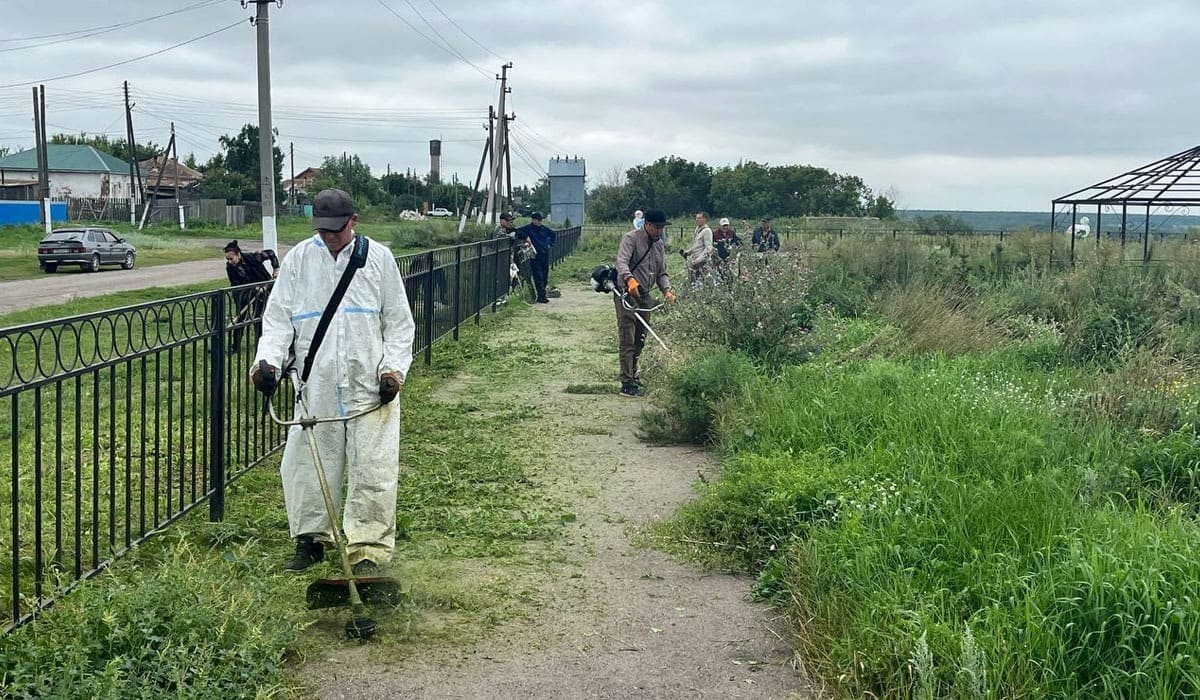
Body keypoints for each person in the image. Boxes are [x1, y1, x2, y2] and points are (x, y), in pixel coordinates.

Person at [250, 188, 416, 575]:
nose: (329, 238)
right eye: (323, 231)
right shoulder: (299, 261)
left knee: (372, 468)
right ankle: (311, 539)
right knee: (306, 464)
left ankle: (368, 549)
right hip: (316, 383)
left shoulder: (379, 259)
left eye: (337, 231)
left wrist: (392, 370)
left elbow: (399, 322)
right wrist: (268, 362)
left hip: (369, 386)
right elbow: (277, 320)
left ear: (353, 222)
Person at [615, 208, 675, 398]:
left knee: (641, 338)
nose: (660, 231)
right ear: (647, 225)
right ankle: (626, 383)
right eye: (657, 227)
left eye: (662, 228)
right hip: (627, 293)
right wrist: (629, 279)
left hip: (645, 295)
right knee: (628, 337)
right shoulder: (631, 239)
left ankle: (634, 373)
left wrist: (667, 290)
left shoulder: (659, 246)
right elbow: (621, 262)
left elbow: (662, 273)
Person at [224, 240, 279, 353]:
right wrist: (253, 289)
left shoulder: (254, 257)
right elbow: (235, 284)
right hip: (245, 292)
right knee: (240, 318)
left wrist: (276, 268)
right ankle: (235, 346)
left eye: (231, 258)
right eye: (227, 259)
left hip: (264, 288)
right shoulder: (230, 268)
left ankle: (260, 344)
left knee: (259, 317)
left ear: (238, 254)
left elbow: (271, 254)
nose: (230, 262)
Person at [515, 212, 557, 303]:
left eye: (540, 220)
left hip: (544, 254)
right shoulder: (528, 228)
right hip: (535, 255)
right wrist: (526, 237)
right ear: (533, 220)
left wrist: (550, 244)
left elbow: (553, 234)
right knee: (538, 275)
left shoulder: (544, 229)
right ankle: (541, 296)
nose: (539, 222)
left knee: (545, 274)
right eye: (537, 220)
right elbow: (517, 231)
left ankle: (542, 292)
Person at [496, 211, 534, 299]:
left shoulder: (509, 229)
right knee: (504, 278)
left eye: (511, 221)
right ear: (502, 221)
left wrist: (526, 238)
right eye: (509, 221)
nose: (511, 223)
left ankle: (510, 294)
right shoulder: (498, 229)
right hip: (501, 260)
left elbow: (517, 232)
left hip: (510, 258)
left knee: (513, 276)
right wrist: (510, 236)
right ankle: (502, 297)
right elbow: (502, 239)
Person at [681, 211, 714, 284]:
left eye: (699, 218)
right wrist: (688, 252)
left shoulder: (707, 231)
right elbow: (696, 245)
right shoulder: (697, 229)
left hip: (702, 262)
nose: (697, 220)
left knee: (704, 282)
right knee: (693, 281)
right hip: (695, 261)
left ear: (705, 219)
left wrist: (699, 259)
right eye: (696, 218)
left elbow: (708, 248)